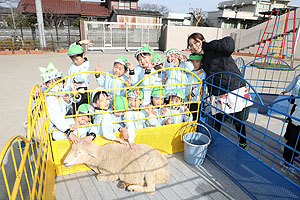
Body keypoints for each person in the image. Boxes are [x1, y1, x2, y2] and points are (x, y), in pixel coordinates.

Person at [187, 33, 253, 149]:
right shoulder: (201, 57)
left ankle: (243, 142)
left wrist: (208, 45)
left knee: (238, 118)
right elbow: (192, 66)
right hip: (218, 92)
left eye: (196, 42)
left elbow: (230, 44)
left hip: (233, 87)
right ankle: (214, 140)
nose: (194, 46)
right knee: (217, 117)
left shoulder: (215, 48)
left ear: (203, 41)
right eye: (191, 45)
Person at [38, 63, 79, 143]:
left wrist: (74, 97)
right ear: (45, 85)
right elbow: (55, 116)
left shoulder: (63, 90)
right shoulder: (47, 96)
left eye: (57, 80)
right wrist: (68, 131)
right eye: (50, 82)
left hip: (64, 119)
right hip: (54, 124)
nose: (54, 83)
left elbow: (72, 102)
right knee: (58, 136)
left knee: (80, 129)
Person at [66, 40, 92, 114]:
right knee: (74, 107)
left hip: (82, 90)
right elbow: (72, 47)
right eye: (72, 59)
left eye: (77, 59)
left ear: (83, 55)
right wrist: (82, 42)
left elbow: (82, 77)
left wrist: (75, 79)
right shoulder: (75, 64)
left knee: (83, 107)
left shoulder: (85, 65)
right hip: (73, 88)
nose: (75, 61)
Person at [185, 53, 206, 120]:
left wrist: (192, 94)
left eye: (197, 62)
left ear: (201, 63)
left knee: (194, 117)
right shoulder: (188, 71)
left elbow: (200, 87)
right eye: (192, 62)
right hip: (185, 99)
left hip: (195, 100)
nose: (194, 64)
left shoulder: (202, 73)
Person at [281, 103, 300, 177]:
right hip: (296, 123)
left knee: (297, 145)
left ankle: (293, 156)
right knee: (292, 143)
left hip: (297, 121)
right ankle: (287, 163)